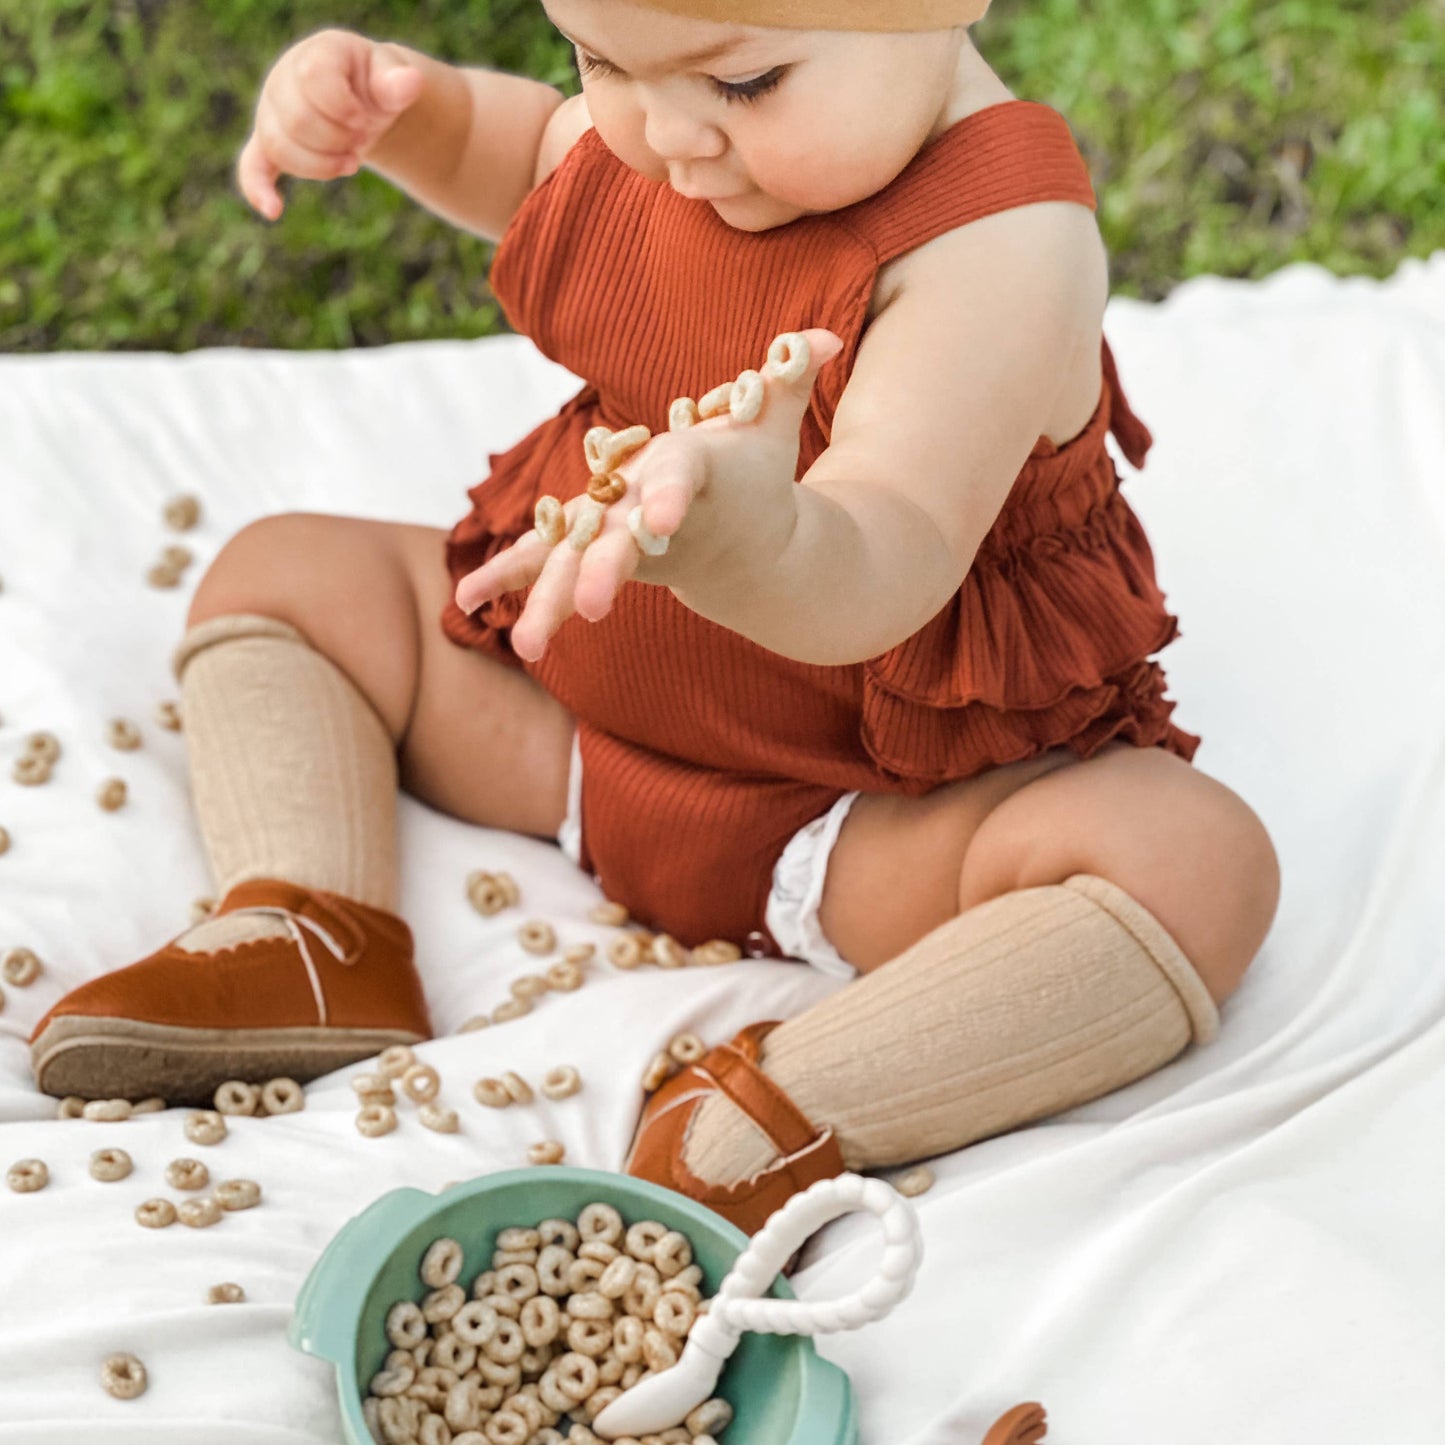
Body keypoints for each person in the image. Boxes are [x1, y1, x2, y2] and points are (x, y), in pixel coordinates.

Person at [32, 0, 1280, 1247]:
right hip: (571, 736)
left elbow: (884, 545)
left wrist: (756, 540)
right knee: (288, 569)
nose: (665, 134)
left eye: (743, 83)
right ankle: (309, 923)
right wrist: (411, 118)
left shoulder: (996, 250)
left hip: (858, 818)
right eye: (599, 59)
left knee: (1190, 863)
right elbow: (531, 157)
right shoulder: (667, 130)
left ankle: (772, 1109)